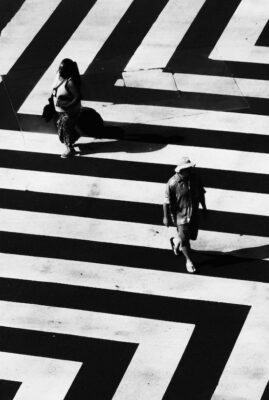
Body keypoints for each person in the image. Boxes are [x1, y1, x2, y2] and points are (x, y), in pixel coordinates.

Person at [163, 156, 207, 273]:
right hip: (180, 216)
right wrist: (166, 217)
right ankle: (189, 261)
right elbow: (166, 201)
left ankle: (176, 241)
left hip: (194, 214)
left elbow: (201, 194)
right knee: (185, 241)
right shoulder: (172, 183)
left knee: (191, 236)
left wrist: (205, 209)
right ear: (181, 170)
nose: (190, 170)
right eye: (187, 169)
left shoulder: (195, 178)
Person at [52, 58, 82, 158]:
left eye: (62, 69)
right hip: (60, 111)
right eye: (60, 68)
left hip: (70, 112)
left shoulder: (70, 82)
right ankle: (75, 134)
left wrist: (68, 106)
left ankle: (70, 149)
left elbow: (77, 97)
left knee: (66, 128)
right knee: (61, 133)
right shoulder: (58, 76)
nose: (60, 71)